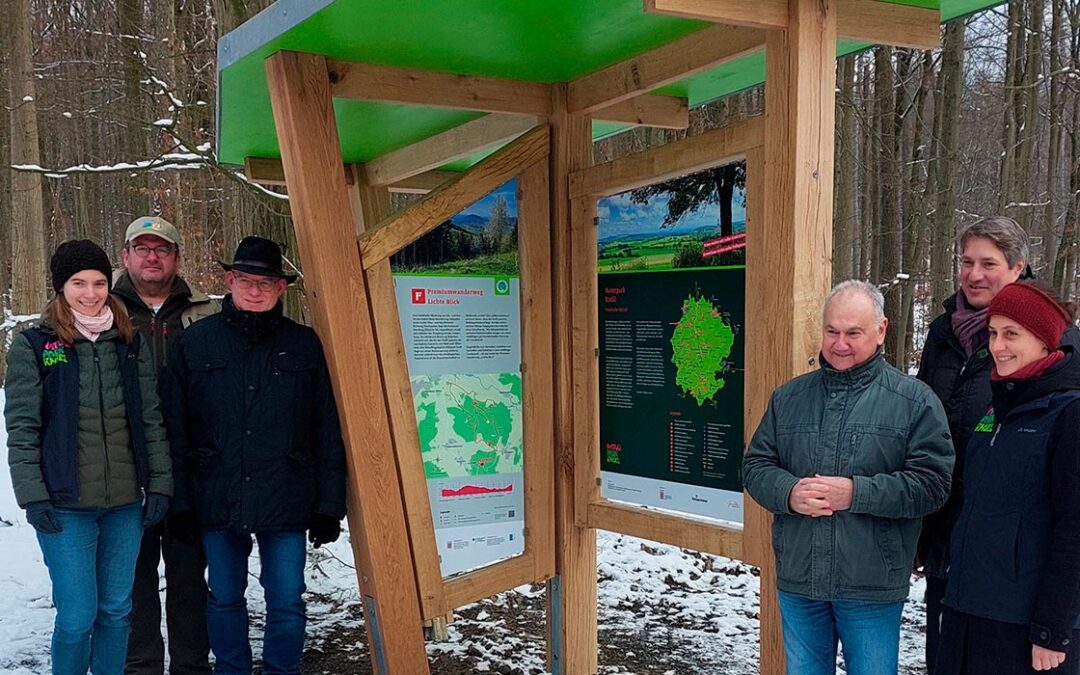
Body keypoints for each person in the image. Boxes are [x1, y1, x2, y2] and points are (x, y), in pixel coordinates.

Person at [743, 280, 954, 675]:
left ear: (881, 330)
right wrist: (789, 493)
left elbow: (933, 484)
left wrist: (856, 493)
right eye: (832, 331)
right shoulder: (788, 398)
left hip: (871, 582)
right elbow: (755, 466)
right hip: (800, 577)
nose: (840, 343)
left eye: (853, 333)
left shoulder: (914, 401)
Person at [163, 236, 347, 675]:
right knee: (224, 596)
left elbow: (326, 426)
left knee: (285, 597)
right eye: (245, 279)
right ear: (229, 281)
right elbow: (175, 428)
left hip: (286, 493)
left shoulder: (304, 345)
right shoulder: (197, 344)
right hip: (217, 493)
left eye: (266, 281)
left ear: (282, 288)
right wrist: (181, 501)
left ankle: (282, 670)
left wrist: (328, 506)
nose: (255, 290)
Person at [5, 240, 173, 675]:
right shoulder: (37, 346)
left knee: (117, 611)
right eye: (78, 283)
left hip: (124, 505)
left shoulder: (127, 341)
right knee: (78, 616)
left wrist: (158, 483)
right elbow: (23, 429)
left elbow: (150, 419)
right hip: (66, 504)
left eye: (99, 282)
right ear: (61, 287)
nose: (91, 292)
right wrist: (33, 496)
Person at [936, 280, 1080, 675]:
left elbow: (1074, 531)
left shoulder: (1068, 415)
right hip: (969, 608)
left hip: (1023, 625)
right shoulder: (995, 410)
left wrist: (1052, 628)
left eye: (1012, 334)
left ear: (1045, 341)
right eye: (994, 333)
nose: (998, 346)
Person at [916, 215, 1029, 673]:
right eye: (967, 262)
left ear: (1018, 268)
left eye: (989, 263)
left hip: (1007, 546)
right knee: (943, 656)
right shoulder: (943, 334)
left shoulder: (1045, 338)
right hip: (944, 529)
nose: (975, 274)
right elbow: (921, 421)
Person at [114, 216, 217, 675]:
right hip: (123, 471)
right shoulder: (100, 310)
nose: (152, 257)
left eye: (162, 249)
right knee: (131, 581)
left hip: (190, 469)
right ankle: (141, 668)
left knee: (189, 577)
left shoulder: (206, 314)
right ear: (126, 256)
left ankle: (192, 666)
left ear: (177, 258)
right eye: (143, 248)